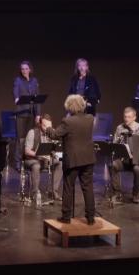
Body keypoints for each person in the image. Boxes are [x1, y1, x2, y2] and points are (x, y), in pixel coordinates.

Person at [42, 95, 97, 224]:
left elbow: (55, 135)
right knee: (88, 188)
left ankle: (66, 217)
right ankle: (90, 217)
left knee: (68, 187)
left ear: (69, 106)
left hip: (73, 160)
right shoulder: (90, 119)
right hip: (88, 158)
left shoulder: (68, 121)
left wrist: (48, 127)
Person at [109, 107, 139, 203]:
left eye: (129, 117)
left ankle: (135, 194)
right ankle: (117, 193)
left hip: (138, 162)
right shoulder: (120, 128)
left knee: (137, 169)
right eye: (125, 117)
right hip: (124, 160)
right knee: (113, 165)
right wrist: (118, 143)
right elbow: (114, 145)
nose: (126, 119)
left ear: (134, 117)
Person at [24, 114, 62, 203]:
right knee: (36, 166)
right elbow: (27, 151)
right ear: (40, 124)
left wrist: (55, 152)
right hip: (32, 159)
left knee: (60, 163)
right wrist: (38, 155)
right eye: (45, 126)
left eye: (49, 126)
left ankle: (54, 191)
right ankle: (35, 193)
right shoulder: (32, 132)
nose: (47, 128)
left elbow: (54, 148)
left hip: (46, 159)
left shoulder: (52, 133)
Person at [13, 61, 41, 169]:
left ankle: (27, 159)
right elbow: (15, 90)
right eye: (22, 69)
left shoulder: (34, 81)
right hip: (21, 113)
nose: (24, 70)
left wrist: (38, 114)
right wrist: (16, 97)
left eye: (26, 68)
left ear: (30, 69)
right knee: (20, 138)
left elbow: (37, 99)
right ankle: (18, 161)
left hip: (32, 114)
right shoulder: (18, 80)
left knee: (30, 138)